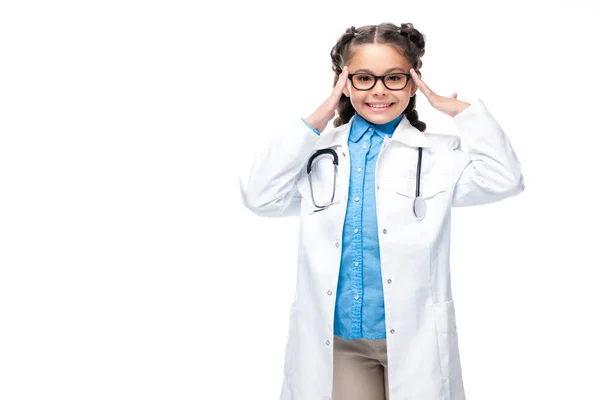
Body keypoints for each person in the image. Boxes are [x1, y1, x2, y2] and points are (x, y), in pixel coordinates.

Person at [239, 22, 524, 400]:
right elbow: (259, 195)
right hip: (339, 342)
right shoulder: (318, 153)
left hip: (416, 337)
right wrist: (319, 116)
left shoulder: (438, 153)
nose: (378, 90)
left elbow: (505, 179)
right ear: (345, 83)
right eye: (363, 78)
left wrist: (459, 112)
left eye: (393, 78)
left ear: (413, 82)